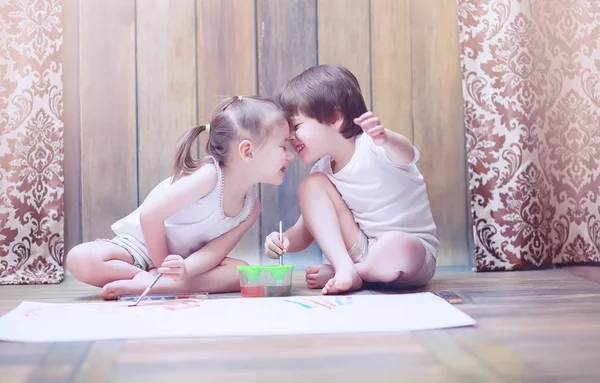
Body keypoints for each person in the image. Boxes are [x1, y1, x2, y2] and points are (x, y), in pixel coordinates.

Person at [67, 95, 293, 300]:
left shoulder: (251, 209)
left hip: (185, 263)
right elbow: (150, 216)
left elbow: (213, 253)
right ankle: (152, 282)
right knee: (80, 259)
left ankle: (150, 286)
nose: (290, 155)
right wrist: (162, 266)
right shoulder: (209, 175)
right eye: (283, 146)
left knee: (239, 271)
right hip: (141, 248)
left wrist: (184, 269)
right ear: (247, 151)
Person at [264, 64, 439, 295]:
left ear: (335, 116)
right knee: (311, 185)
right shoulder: (322, 171)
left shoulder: (375, 146)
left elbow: (406, 154)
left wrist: (385, 137)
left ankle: (354, 272)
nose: (291, 138)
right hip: (363, 250)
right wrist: (282, 239)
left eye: (296, 127)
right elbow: (306, 230)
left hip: (411, 258)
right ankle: (346, 268)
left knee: (394, 244)